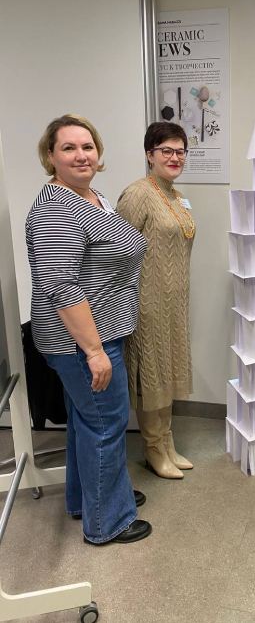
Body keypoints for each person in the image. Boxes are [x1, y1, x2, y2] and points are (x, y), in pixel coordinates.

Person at [27, 114, 151, 544]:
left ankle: (89, 500)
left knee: (87, 421)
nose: (81, 155)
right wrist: (95, 351)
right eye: (69, 148)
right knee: (105, 424)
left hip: (100, 332)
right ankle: (108, 522)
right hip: (82, 342)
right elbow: (60, 285)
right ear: (50, 156)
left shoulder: (92, 197)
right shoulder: (55, 210)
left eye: (88, 146)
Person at [116, 121, 195, 480]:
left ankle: (166, 441)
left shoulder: (175, 195)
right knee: (153, 374)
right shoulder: (137, 194)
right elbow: (117, 252)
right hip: (146, 304)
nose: (175, 157)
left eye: (180, 151)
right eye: (166, 150)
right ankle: (152, 448)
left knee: (170, 369)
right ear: (150, 155)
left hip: (175, 303)